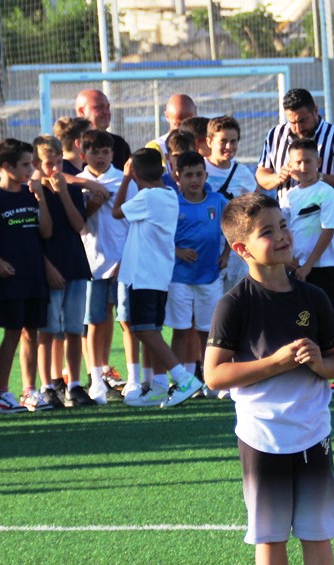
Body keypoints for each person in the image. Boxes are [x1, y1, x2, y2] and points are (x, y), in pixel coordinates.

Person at [204, 192, 334, 565]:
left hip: (312, 432)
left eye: (283, 226)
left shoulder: (313, 297)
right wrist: (276, 362)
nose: (283, 236)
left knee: (316, 531)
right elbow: (214, 375)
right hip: (261, 435)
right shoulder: (234, 304)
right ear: (242, 249)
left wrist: (320, 363)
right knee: (268, 536)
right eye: (268, 232)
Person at [257, 89, 334, 392]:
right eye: (292, 121)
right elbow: (262, 175)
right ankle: (303, 370)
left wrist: (316, 177)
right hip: (289, 248)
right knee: (296, 313)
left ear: (315, 110)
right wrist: (278, 179)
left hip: (322, 253)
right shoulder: (275, 136)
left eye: (302, 120)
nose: (297, 127)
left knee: (333, 313)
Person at [112, 148, 204, 407]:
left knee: (144, 330)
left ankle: (183, 379)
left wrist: (126, 178)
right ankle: (159, 387)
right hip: (158, 275)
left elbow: (116, 212)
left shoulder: (147, 197)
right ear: (163, 171)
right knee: (150, 330)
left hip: (142, 275)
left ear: (136, 173)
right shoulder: (170, 195)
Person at [0, 139, 53, 412]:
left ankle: (29, 391)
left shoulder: (31, 194)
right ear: (7, 167)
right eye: (25, 165)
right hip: (10, 276)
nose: (31, 169)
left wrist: (41, 198)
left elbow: (46, 231)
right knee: (12, 332)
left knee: (32, 333)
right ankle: (1, 393)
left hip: (34, 274)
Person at [31, 135, 95, 408]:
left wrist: (65, 194)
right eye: (49, 163)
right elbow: (41, 234)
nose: (55, 169)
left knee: (74, 329)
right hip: (50, 269)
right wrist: (47, 268)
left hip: (75, 265)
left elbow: (79, 224)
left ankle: (75, 385)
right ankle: (47, 385)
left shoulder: (70, 189)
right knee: (48, 331)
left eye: (58, 162)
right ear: (36, 164)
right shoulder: (32, 192)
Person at [77, 129, 137, 403]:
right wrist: (91, 204)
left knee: (127, 321)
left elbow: (135, 222)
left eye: (105, 152)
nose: (100, 157)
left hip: (122, 263)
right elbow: (77, 223)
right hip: (91, 264)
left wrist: (126, 258)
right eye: (94, 152)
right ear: (83, 155)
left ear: (113, 154)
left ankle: (134, 379)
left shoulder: (125, 181)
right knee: (94, 322)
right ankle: (97, 379)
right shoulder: (79, 183)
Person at [169, 151, 228, 385]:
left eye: (198, 174)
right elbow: (160, 236)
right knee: (181, 331)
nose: (194, 180)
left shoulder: (217, 201)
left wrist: (226, 254)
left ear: (206, 176)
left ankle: (210, 379)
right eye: (188, 175)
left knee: (208, 332)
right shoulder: (173, 203)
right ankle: (179, 381)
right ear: (178, 177)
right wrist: (178, 251)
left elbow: (233, 229)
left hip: (210, 277)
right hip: (179, 279)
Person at [75, 89, 132, 169]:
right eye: (99, 107)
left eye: (107, 107)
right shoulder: (71, 146)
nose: (106, 112)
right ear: (82, 112)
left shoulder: (119, 144)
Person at [206, 116, 257, 202]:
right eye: (223, 141)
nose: (228, 147)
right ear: (209, 142)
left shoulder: (242, 172)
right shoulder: (200, 168)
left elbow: (258, 201)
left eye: (233, 141)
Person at [147, 93, 197, 159]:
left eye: (188, 123)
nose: (183, 128)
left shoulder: (203, 145)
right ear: (166, 116)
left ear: (195, 113)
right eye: (178, 124)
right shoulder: (156, 148)